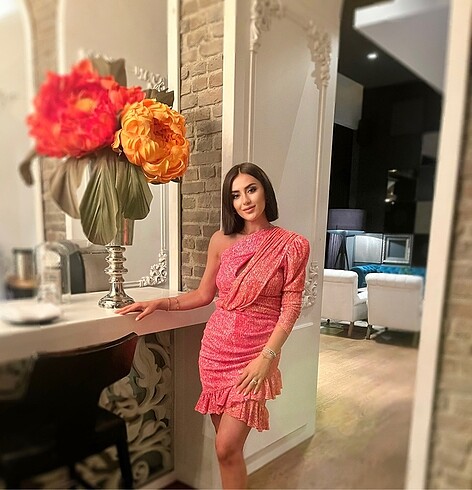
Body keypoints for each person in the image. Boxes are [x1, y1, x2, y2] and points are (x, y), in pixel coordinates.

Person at [117, 162, 310, 489]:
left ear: (265, 191)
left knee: (226, 447)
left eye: (251, 189)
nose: (245, 200)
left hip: (256, 356)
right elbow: (204, 295)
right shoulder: (221, 240)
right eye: (235, 195)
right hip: (216, 352)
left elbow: (290, 307)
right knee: (227, 451)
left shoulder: (292, 245)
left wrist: (267, 357)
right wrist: (160, 303)